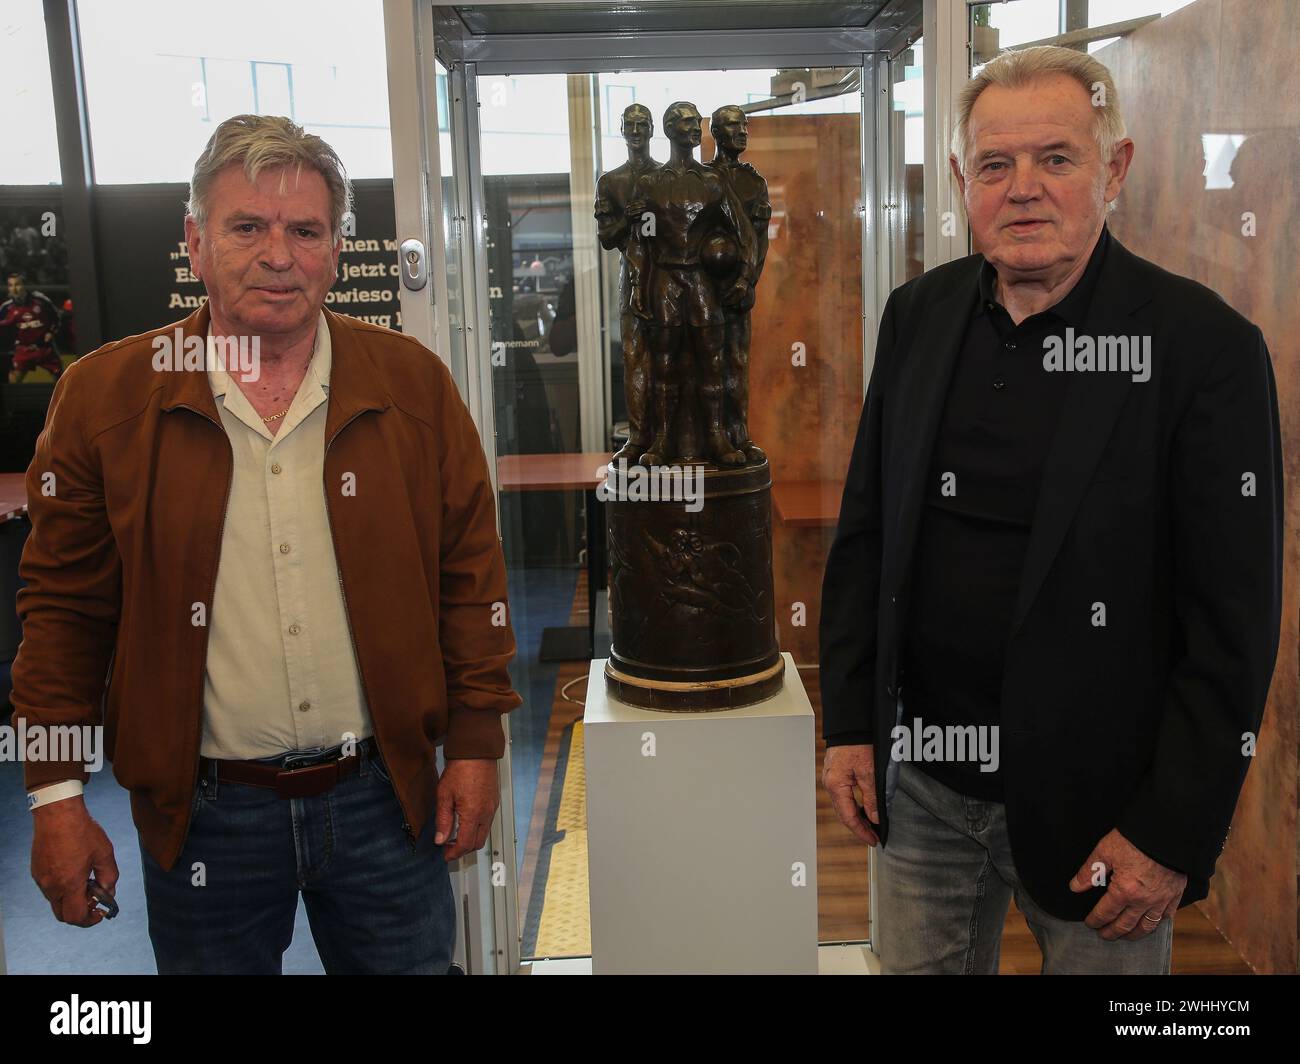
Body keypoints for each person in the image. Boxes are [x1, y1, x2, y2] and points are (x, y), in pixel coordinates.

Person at [13, 114, 522, 974]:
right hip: (205, 815)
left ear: (334, 250)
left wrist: (474, 746)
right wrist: (56, 796)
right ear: (196, 242)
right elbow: (63, 613)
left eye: (305, 230)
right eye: (247, 226)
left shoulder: (413, 388)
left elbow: (470, 578)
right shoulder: (104, 399)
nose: (277, 254)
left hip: (385, 801)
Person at [819, 46, 1282, 975]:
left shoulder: (1205, 350)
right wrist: (852, 725)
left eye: (1056, 159)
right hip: (923, 795)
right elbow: (868, 531)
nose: (1023, 188)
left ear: (1114, 171)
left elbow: (1233, 623)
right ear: (960, 180)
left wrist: (1168, 834)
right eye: (996, 164)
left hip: (1104, 819)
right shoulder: (918, 314)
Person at [0, 272, 64, 382]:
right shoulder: (6, 308)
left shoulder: (40, 300)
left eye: (17, 284)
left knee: (61, 380)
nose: (14, 289)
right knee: (13, 381)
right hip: (23, 349)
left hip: (44, 348)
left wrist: (51, 332)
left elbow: (56, 317)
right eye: (11, 285)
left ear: (25, 285)